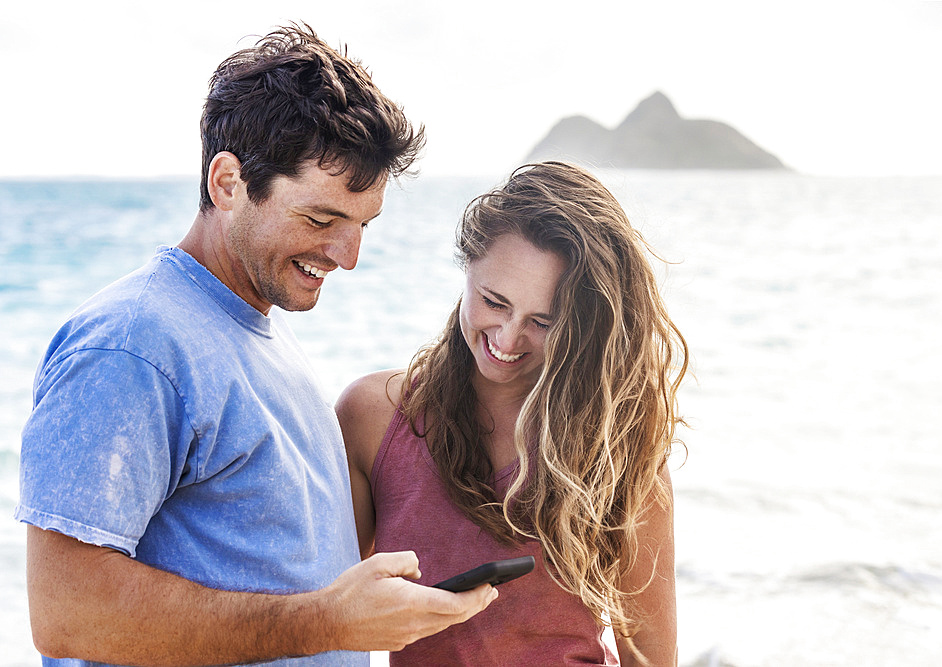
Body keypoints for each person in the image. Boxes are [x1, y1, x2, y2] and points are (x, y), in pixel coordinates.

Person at [15, 23, 495, 667]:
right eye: (321, 220)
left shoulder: (255, 327)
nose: (348, 257)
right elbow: (68, 612)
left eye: (361, 225)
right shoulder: (131, 348)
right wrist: (327, 622)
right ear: (228, 183)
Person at [337, 161, 688, 666]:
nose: (507, 338)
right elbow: (326, 615)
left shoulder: (616, 443)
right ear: (467, 268)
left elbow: (649, 657)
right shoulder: (373, 416)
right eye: (494, 302)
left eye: (543, 321)